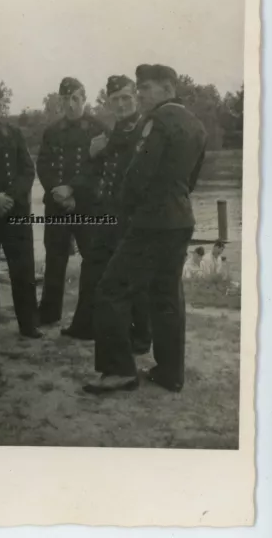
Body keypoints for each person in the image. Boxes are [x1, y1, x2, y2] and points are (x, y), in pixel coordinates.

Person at [83, 64, 207, 395]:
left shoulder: (158, 121)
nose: (141, 94)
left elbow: (138, 174)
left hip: (149, 221)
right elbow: (191, 179)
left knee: (111, 289)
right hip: (180, 218)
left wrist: (125, 210)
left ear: (168, 88)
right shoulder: (196, 124)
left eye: (147, 88)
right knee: (165, 295)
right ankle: (170, 372)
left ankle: (118, 371)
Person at [62, 74, 152, 353]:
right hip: (107, 213)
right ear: (109, 103)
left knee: (133, 276)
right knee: (93, 267)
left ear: (136, 98)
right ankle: (86, 324)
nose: (122, 104)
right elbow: (95, 170)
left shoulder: (144, 130)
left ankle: (140, 337)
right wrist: (73, 183)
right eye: (115, 100)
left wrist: (100, 149)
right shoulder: (114, 131)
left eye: (126, 98)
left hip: (133, 217)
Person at [36, 76, 106, 326]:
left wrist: (73, 190)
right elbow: (43, 165)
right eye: (65, 99)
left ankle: (87, 315)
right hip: (57, 204)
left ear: (84, 100)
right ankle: (49, 312)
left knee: (92, 258)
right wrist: (57, 190)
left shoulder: (98, 129)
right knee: (54, 257)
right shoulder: (52, 131)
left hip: (87, 205)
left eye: (76, 98)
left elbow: (98, 169)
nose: (71, 104)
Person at [0, 81, 43, 339]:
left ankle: (29, 324)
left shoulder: (13, 134)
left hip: (15, 212)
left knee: (23, 270)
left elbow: (28, 170)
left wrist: (10, 198)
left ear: (2, 108)